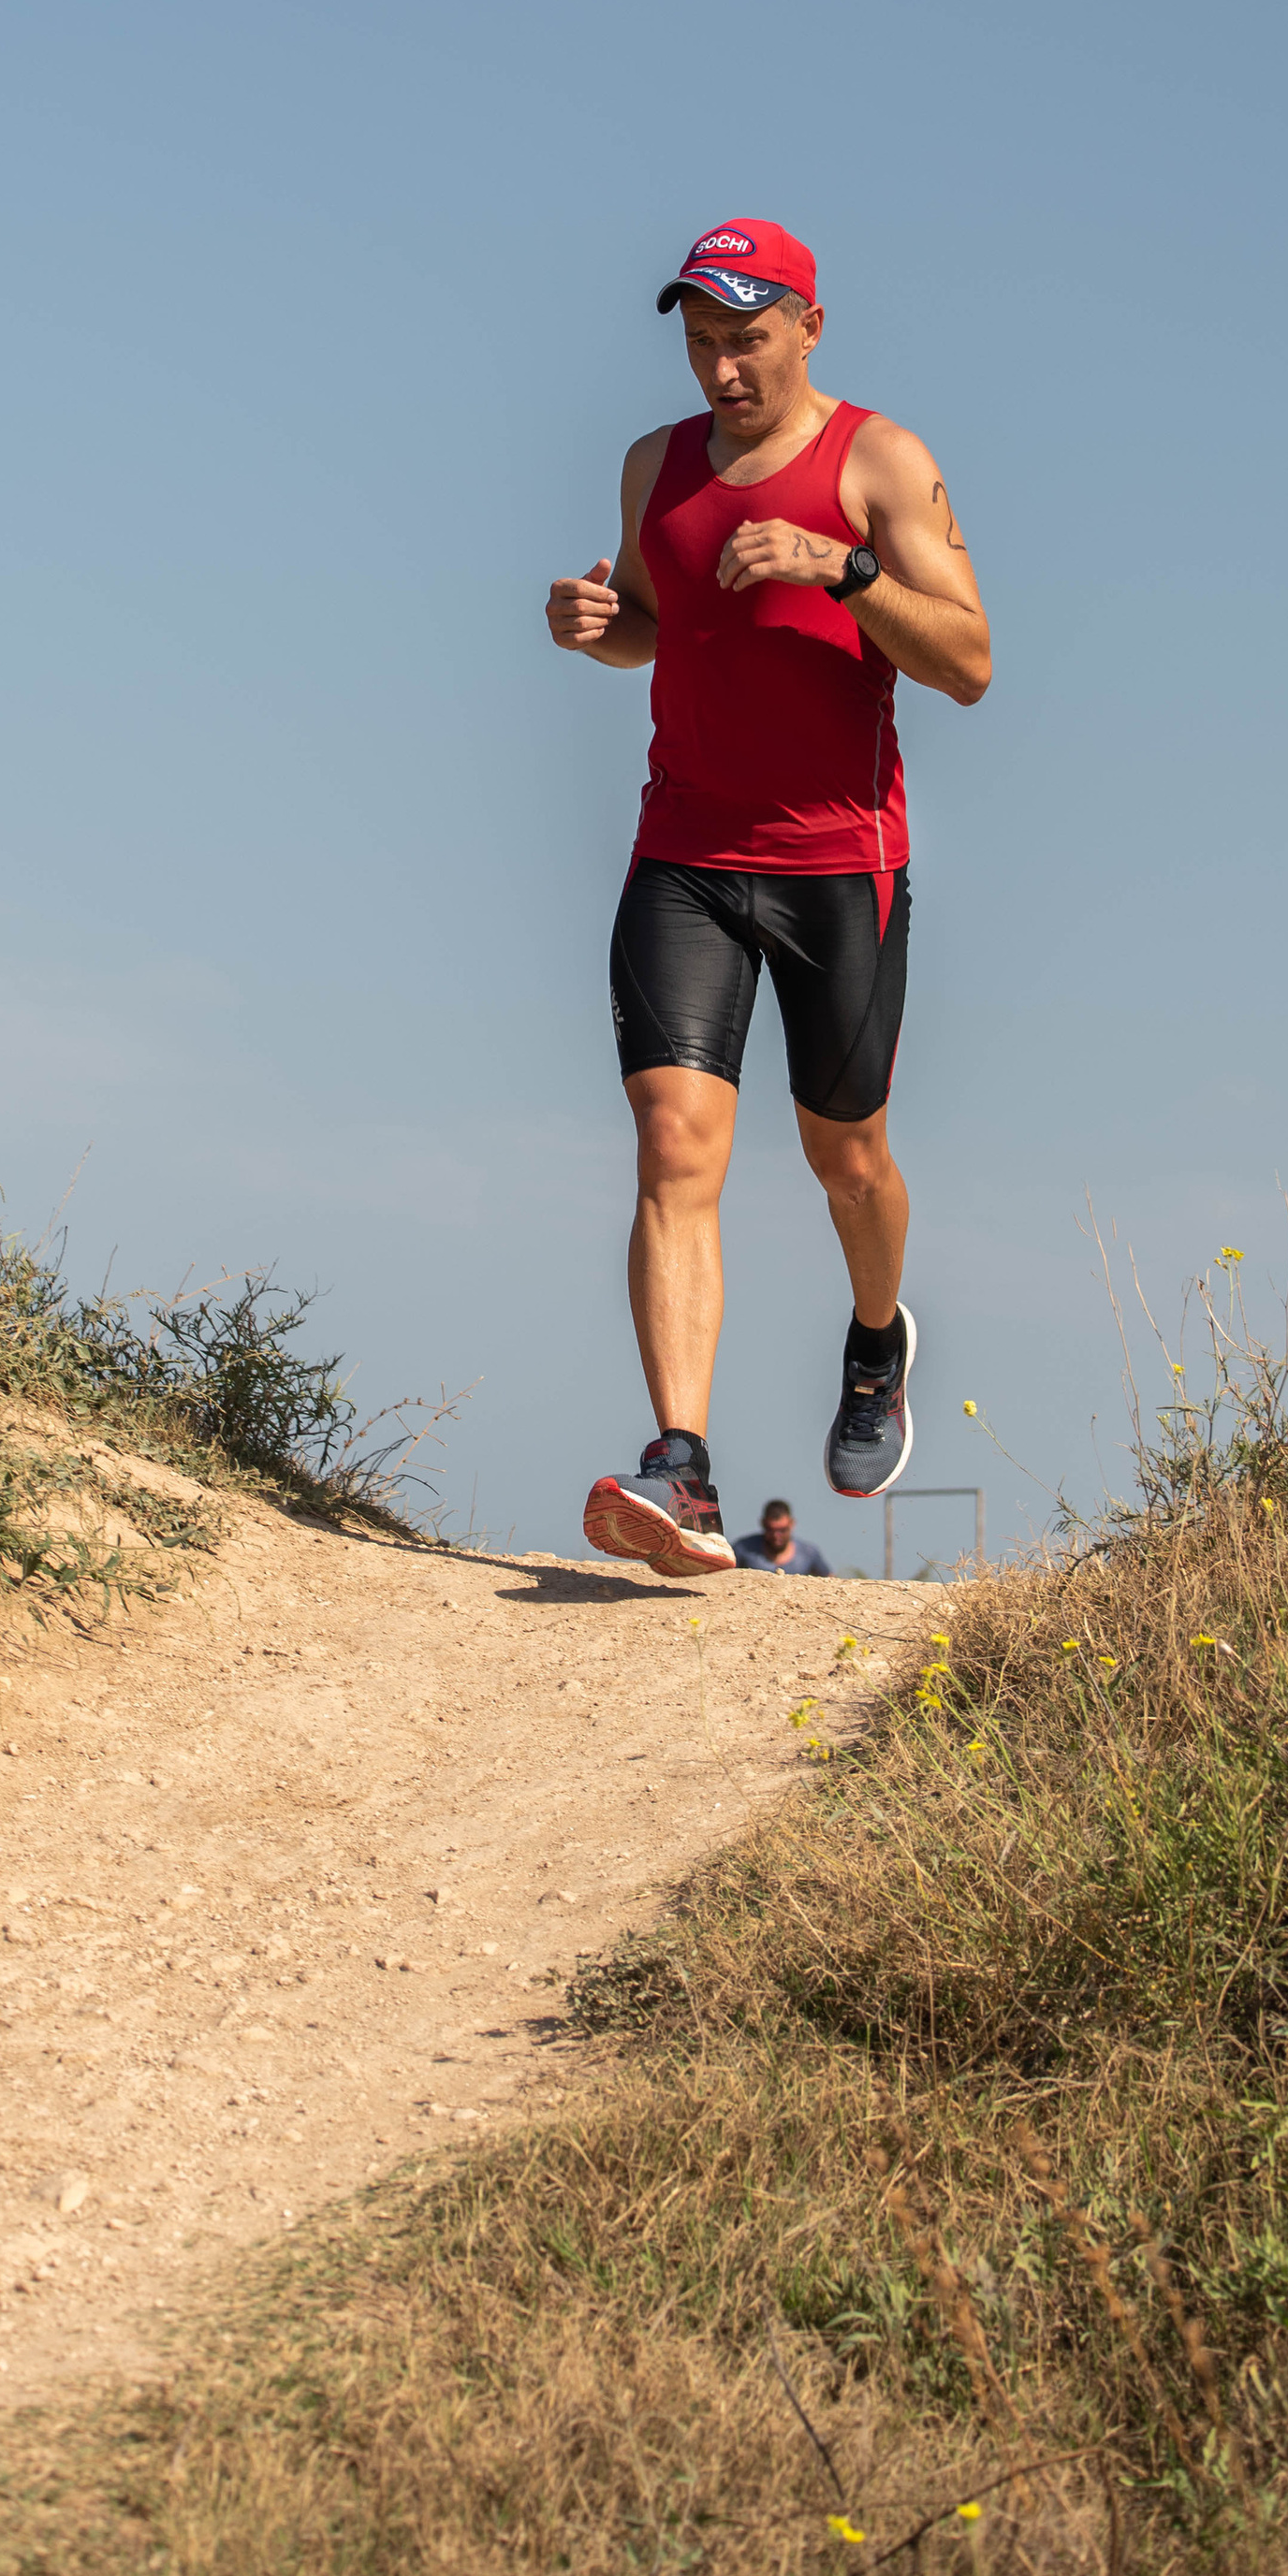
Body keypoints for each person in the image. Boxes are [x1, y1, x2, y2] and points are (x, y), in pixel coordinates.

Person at [545, 215, 990, 1579]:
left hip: (836, 868)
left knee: (845, 1156)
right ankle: (680, 1467)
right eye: (699, 340)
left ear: (807, 325)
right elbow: (656, 624)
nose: (721, 368)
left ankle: (875, 1339)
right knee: (675, 1146)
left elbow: (969, 658)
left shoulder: (880, 460)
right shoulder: (654, 465)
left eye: (746, 338)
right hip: (684, 852)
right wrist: (596, 624)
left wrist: (843, 569)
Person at [734, 1496, 832, 1577]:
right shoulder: (743, 1550)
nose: (776, 1536)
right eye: (771, 1530)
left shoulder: (808, 1554)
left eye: (782, 1530)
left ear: (792, 1524)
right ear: (763, 1524)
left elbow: (830, 1581)